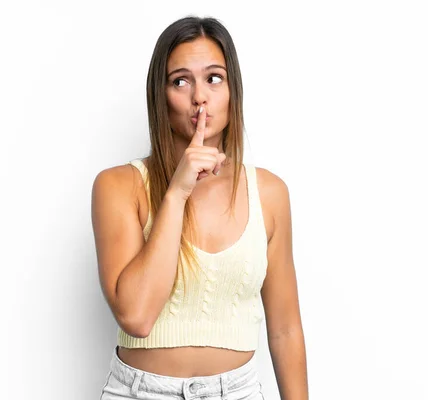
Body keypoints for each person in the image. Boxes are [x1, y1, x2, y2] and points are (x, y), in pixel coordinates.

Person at [91, 15, 308, 400]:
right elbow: (137, 317)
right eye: (180, 80)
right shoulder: (119, 186)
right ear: (161, 95)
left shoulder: (270, 193)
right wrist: (176, 193)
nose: (199, 97)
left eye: (214, 78)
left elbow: (285, 328)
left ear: (233, 90)